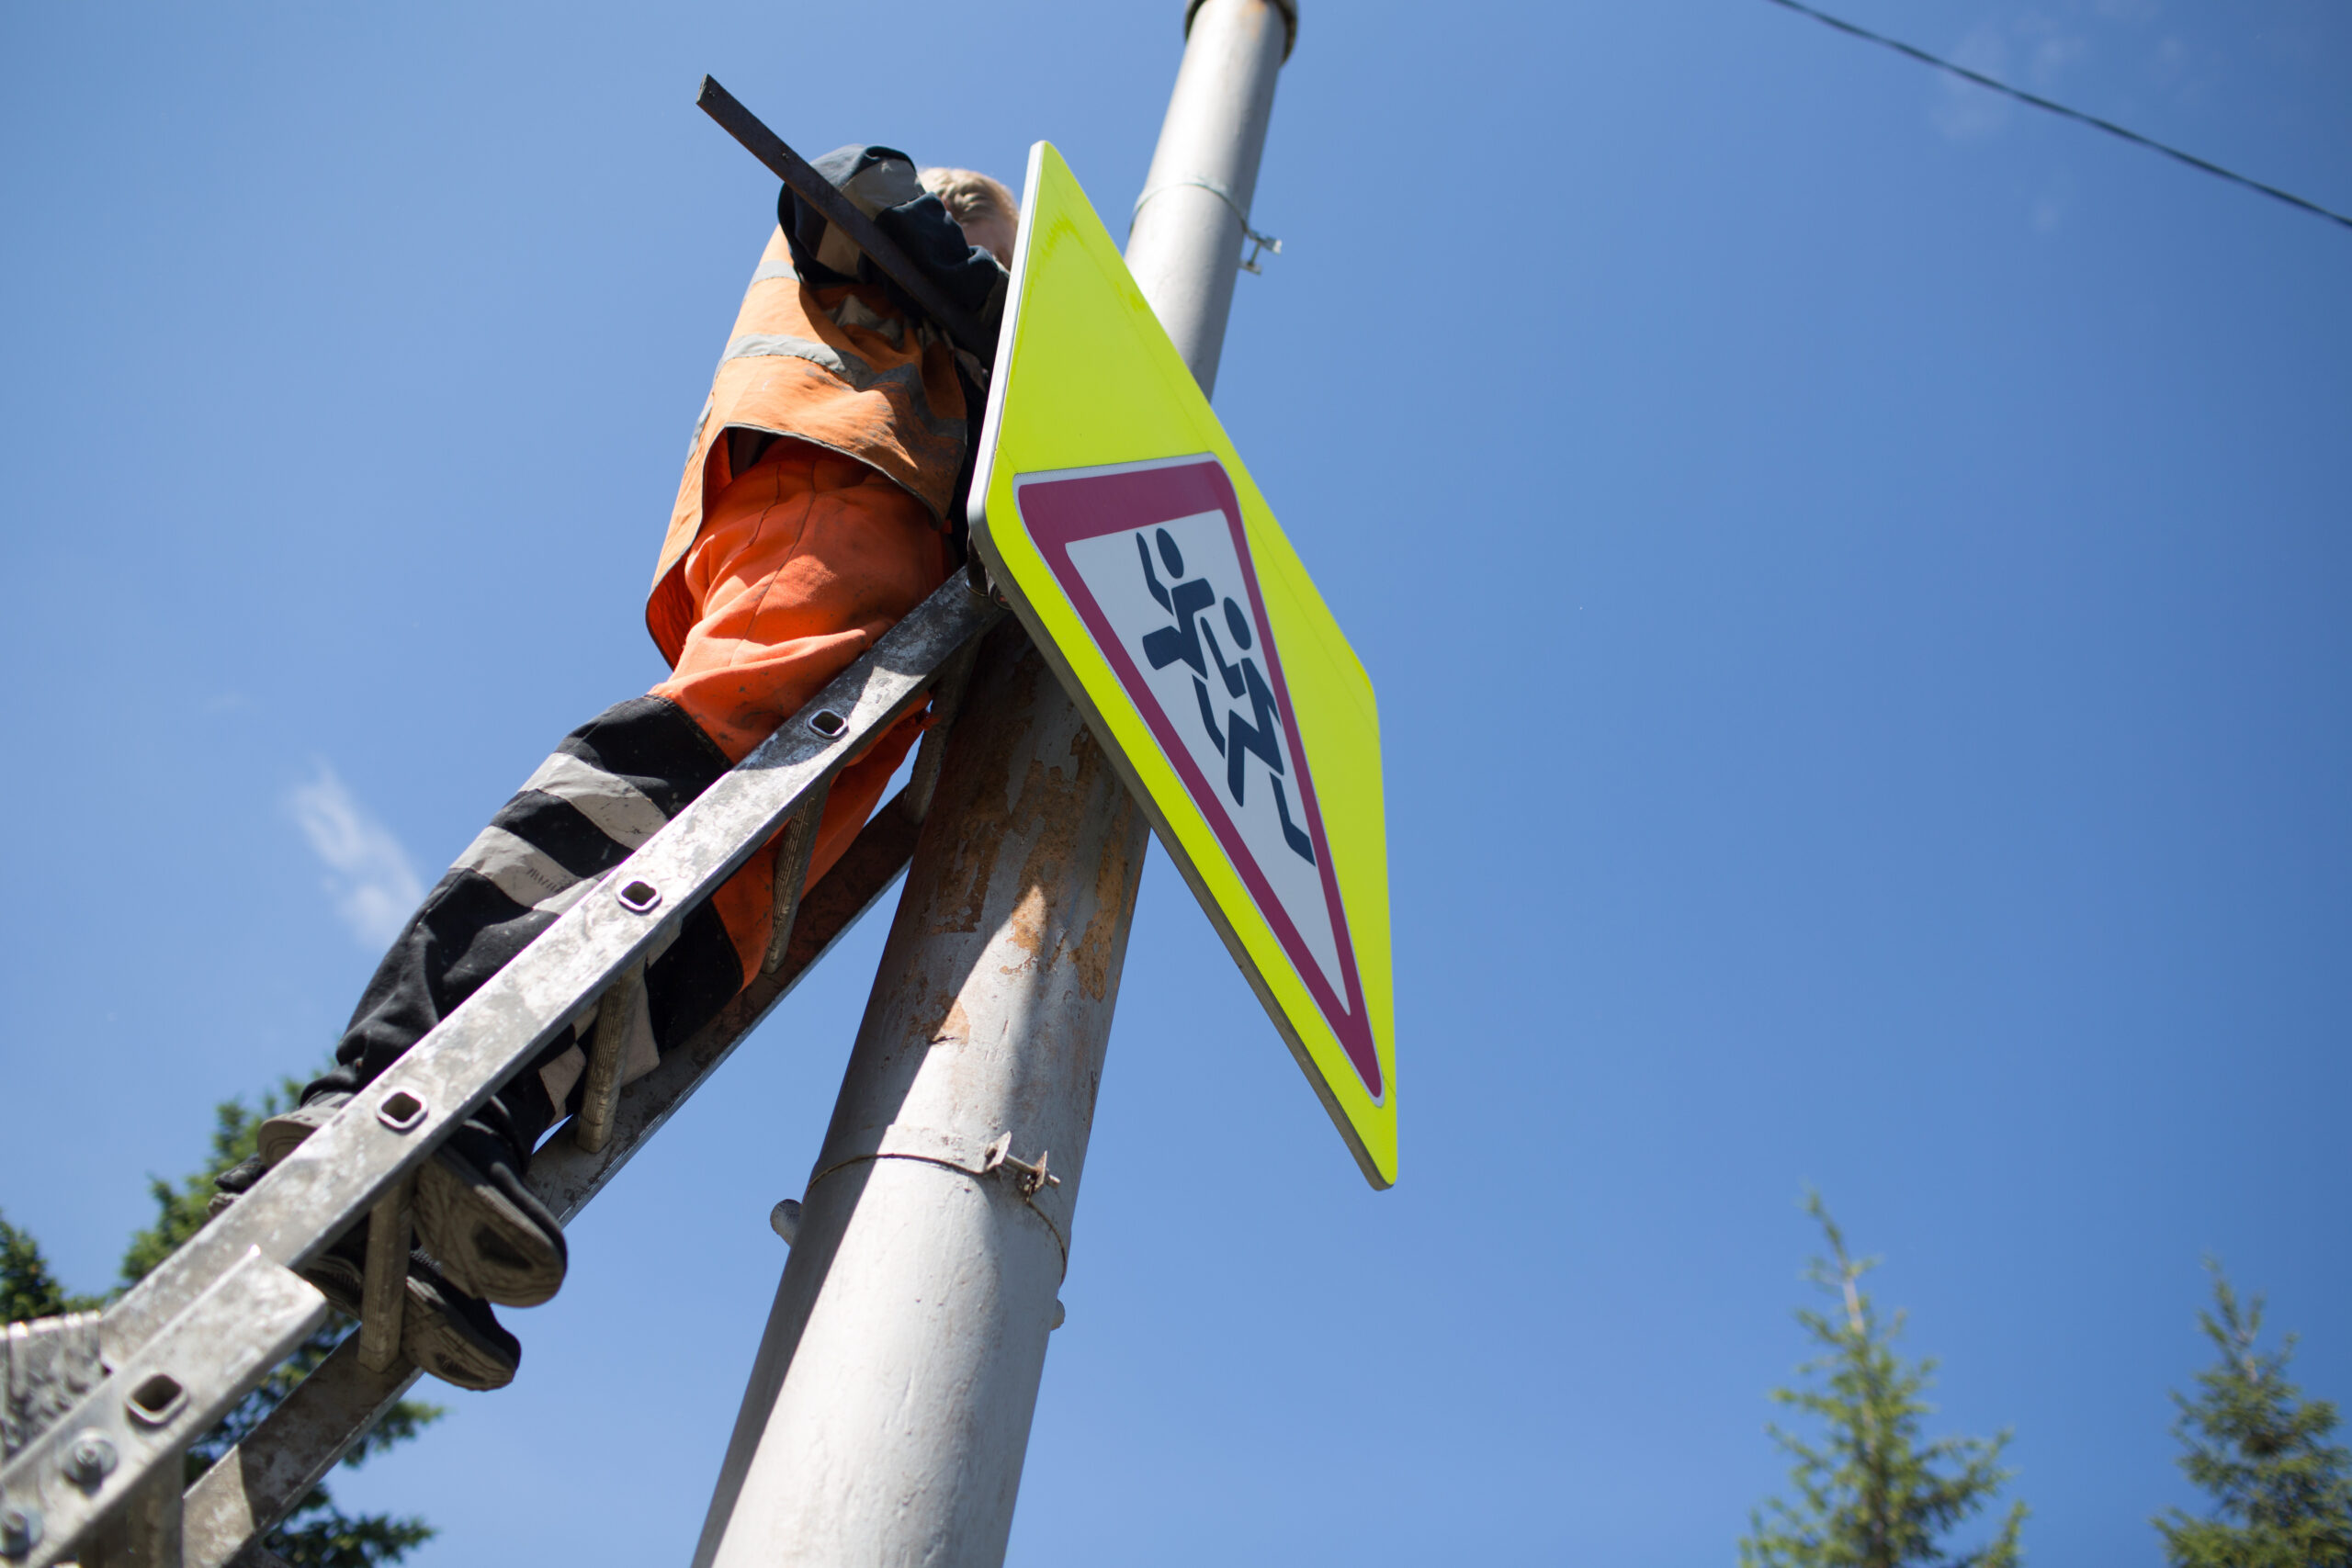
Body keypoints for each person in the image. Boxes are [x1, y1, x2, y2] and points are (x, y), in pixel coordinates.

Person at [214, 152, 1022, 1391]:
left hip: (892, 603)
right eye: (998, 246)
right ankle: (377, 1088)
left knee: (727, 913)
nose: (1006, 274)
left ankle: (458, 1150)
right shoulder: (909, 235)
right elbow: (846, 185)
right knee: (682, 769)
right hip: (835, 495)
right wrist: (995, 295)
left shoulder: (962, 363)